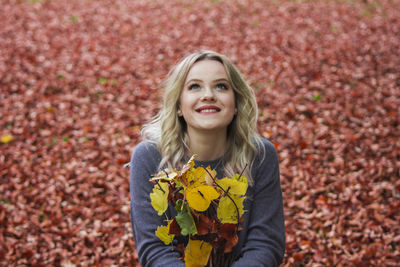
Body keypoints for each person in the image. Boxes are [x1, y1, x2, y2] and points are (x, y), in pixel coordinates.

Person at [129, 50, 285, 266]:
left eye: (221, 86)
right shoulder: (149, 158)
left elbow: (266, 245)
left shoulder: (260, 156)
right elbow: (154, 250)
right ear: (178, 106)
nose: (208, 95)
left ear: (237, 103)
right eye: (194, 86)